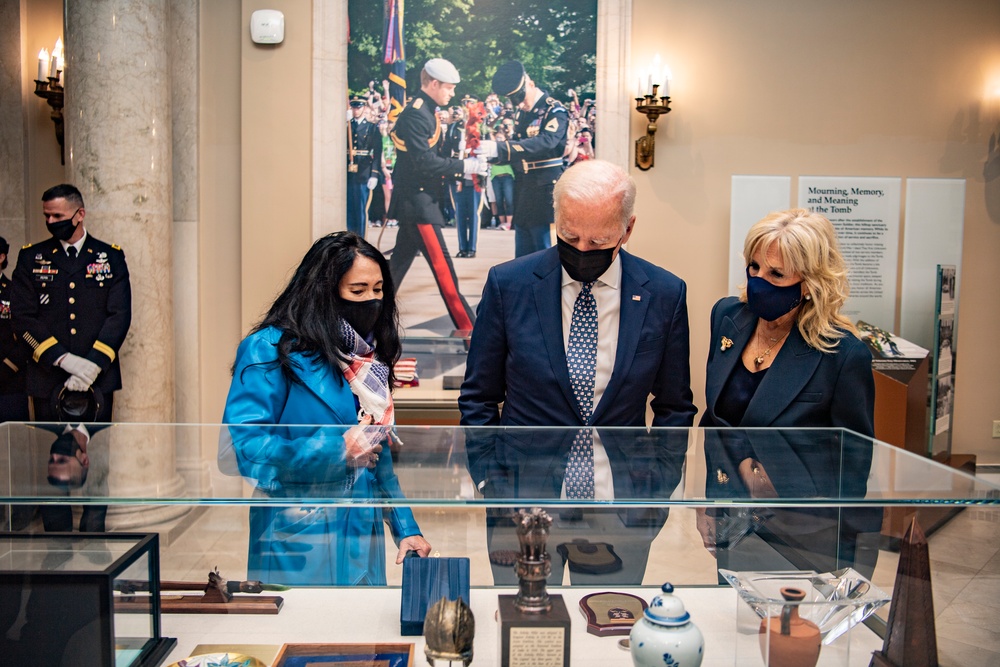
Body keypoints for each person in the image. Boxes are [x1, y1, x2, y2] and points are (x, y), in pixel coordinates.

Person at [459, 160, 696, 584]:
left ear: (627, 229)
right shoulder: (509, 285)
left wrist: (656, 491)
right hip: (522, 504)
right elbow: (478, 395)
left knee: (607, 625)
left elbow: (675, 406)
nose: (583, 250)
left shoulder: (663, 293)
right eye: (569, 236)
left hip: (619, 508)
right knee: (527, 633)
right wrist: (489, 481)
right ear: (556, 221)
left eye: (599, 239)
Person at [222, 232, 431, 586]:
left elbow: (375, 456)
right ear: (324, 292)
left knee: (361, 638)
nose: (371, 300)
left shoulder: (367, 358)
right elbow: (239, 449)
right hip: (299, 534)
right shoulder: (267, 350)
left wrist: (405, 527)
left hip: (361, 538)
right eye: (358, 291)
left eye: (378, 290)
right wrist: (335, 449)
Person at [698, 208, 881, 578]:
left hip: (803, 530)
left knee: (790, 633)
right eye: (754, 267)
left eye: (776, 274)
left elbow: (853, 462)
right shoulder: (728, 317)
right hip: (733, 516)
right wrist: (709, 505)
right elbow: (716, 423)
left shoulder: (842, 355)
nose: (758, 281)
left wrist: (844, 549)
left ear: (811, 282)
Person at [11, 184, 131, 424]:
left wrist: (92, 365)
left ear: (80, 215)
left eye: (58, 216)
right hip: (47, 377)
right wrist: (65, 360)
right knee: (51, 457)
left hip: (98, 380)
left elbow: (119, 315)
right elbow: (23, 318)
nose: (51, 221)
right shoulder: (31, 258)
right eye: (47, 215)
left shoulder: (110, 257)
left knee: (94, 456)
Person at [386, 58, 486, 332]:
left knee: (393, 275)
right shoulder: (417, 114)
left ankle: (364, 329)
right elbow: (424, 162)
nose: (452, 94)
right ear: (433, 84)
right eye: (449, 88)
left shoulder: (426, 111)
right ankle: (471, 336)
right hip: (419, 206)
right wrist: (464, 166)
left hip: (419, 203)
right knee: (446, 277)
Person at [479, 61, 569, 257]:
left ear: (530, 83)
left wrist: (502, 148)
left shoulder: (554, 110)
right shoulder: (523, 113)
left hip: (546, 188)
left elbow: (546, 142)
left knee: (546, 251)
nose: (518, 103)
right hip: (524, 187)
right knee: (524, 255)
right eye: (514, 100)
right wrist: (492, 156)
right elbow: (518, 149)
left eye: (520, 97)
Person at [1, 236, 29, 423]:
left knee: (9, 447)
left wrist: (4, 369)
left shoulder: (14, 293)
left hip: (7, 383)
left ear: (1, 257)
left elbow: (27, 336)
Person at [347, 95, 382, 238]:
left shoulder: (371, 128)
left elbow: (378, 153)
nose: (356, 110)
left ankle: (360, 238)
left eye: (359, 107)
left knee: (361, 208)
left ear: (364, 108)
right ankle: (350, 237)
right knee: (349, 208)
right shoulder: (347, 126)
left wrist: (374, 174)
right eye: (354, 106)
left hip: (363, 171)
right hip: (348, 172)